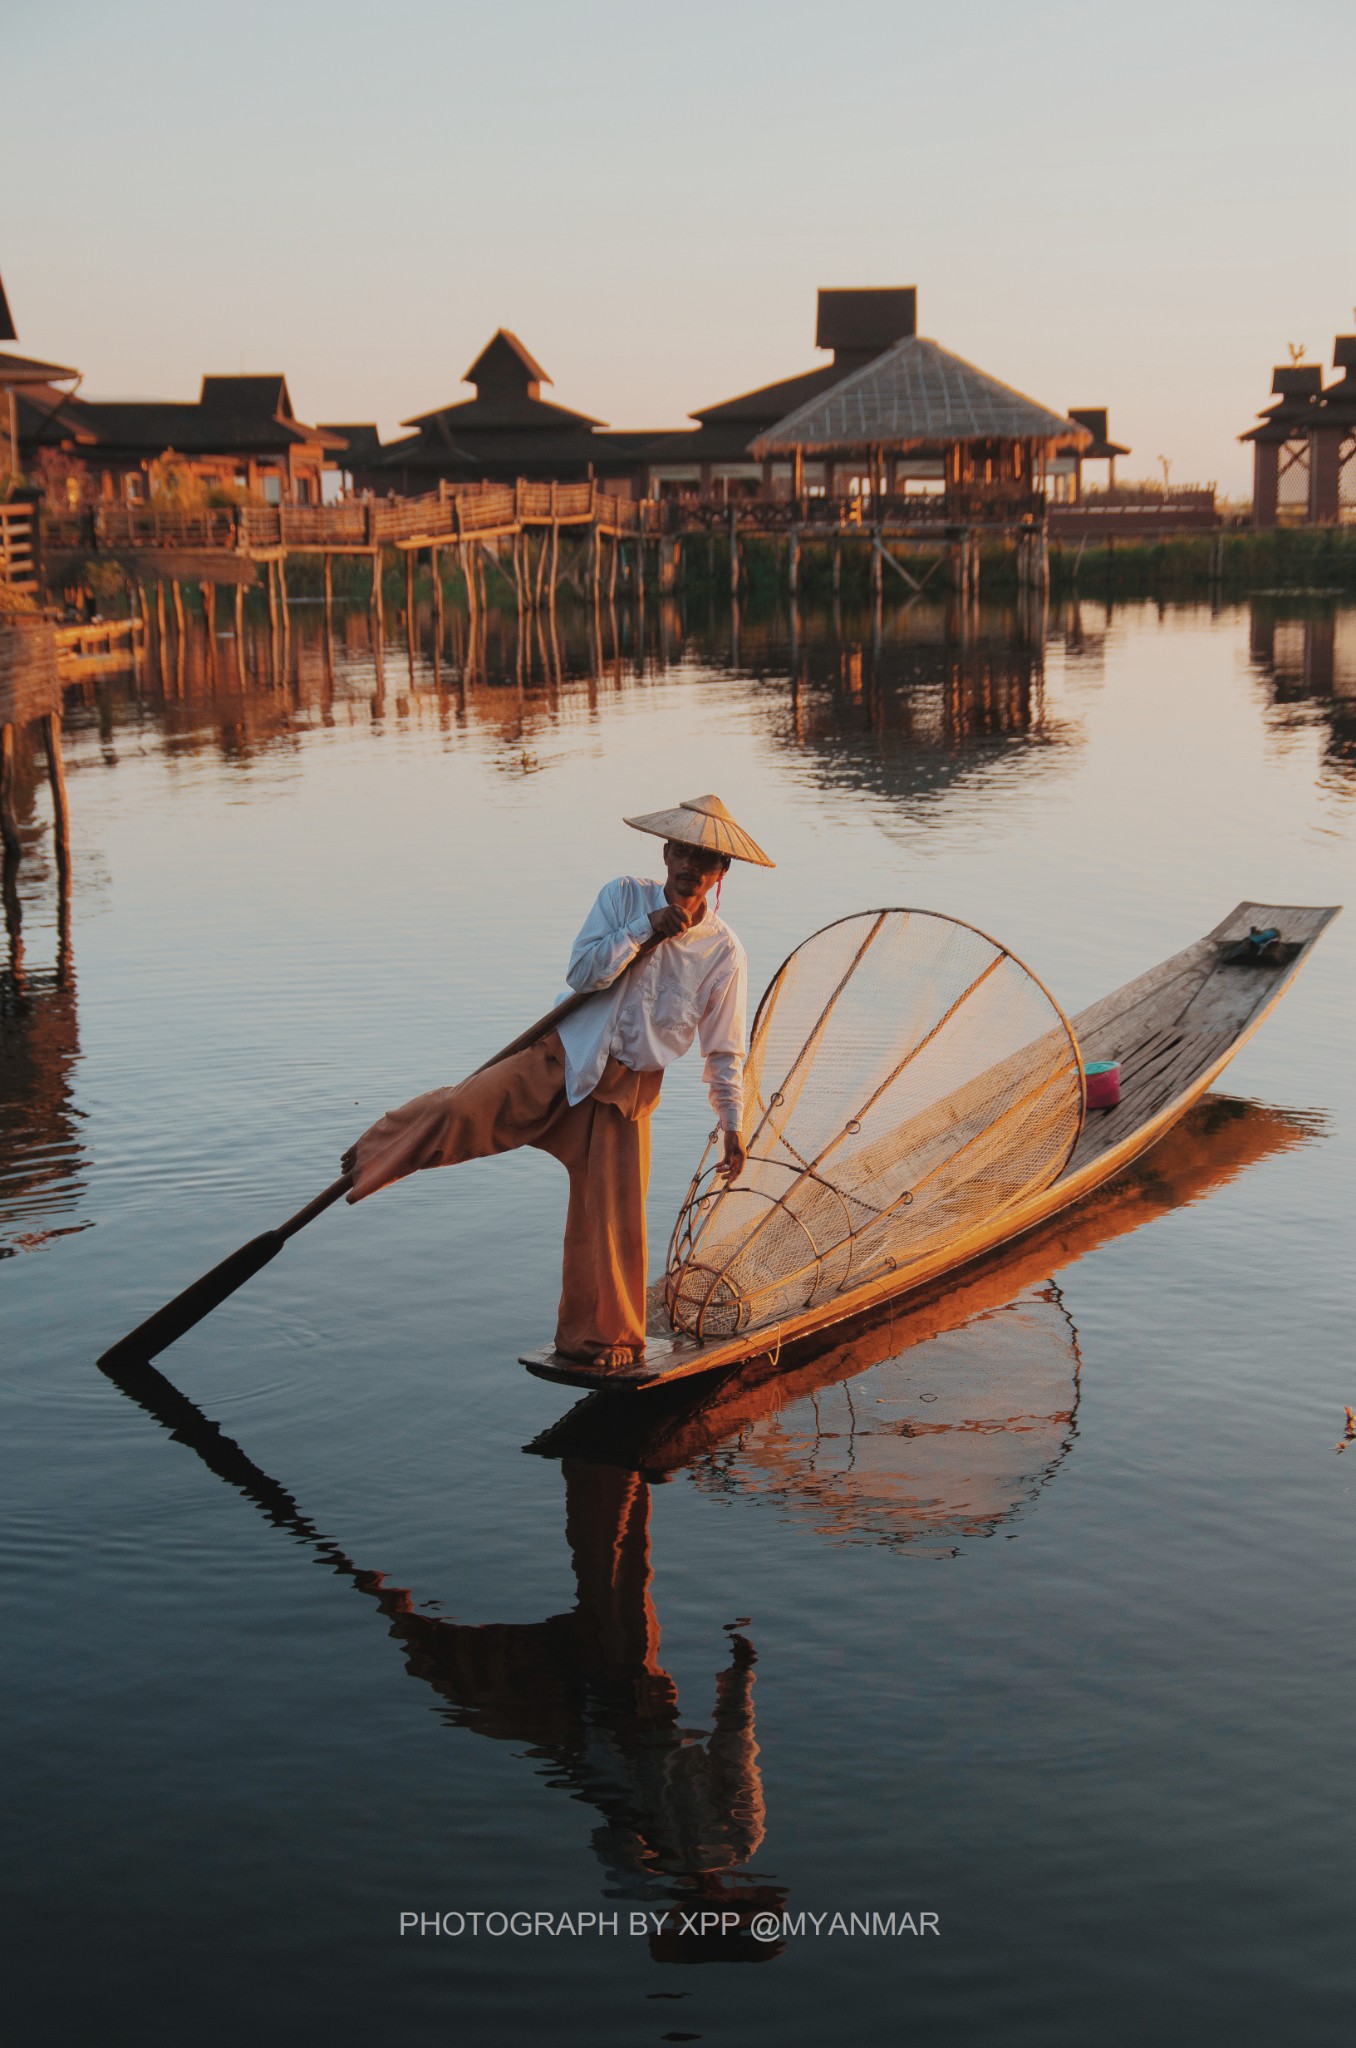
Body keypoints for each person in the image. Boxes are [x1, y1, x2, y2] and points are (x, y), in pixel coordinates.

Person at [342, 794, 774, 1370]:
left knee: (611, 1228)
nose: (691, 867)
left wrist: (733, 1127)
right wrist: (645, 930)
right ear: (666, 852)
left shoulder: (724, 952)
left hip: (625, 1097)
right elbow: (582, 973)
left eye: (706, 859)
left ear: (722, 874)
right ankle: (370, 1159)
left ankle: (601, 1342)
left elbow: (724, 1051)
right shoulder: (623, 896)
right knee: (459, 1111)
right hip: (562, 1058)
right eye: (684, 852)